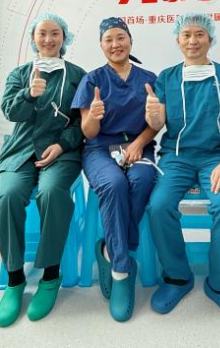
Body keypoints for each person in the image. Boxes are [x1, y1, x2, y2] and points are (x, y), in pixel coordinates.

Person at [145, 13, 220, 322]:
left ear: (210, 39)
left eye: (199, 34)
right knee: (159, 206)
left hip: (216, 156)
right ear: (178, 40)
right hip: (176, 156)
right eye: (187, 35)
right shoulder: (167, 77)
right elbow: (158, 123)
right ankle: (177, 277)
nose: (193, 40)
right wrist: (152, 114)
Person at [0, 13, 86, 327]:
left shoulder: (77, 76)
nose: (48, 39)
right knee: (7, 198)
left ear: (64, 38)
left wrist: (62, 144)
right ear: (33, 38)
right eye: (42, 33)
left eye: (55, 33)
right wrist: (29, 94)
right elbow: (10, 111)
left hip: (60, 153)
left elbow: (82, 123)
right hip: (20, 152)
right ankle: (15, 279)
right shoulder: (20, 74)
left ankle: (51, 274)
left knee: (51, 192)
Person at [71, 17, 158, 322]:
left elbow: (155, 125)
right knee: (114, 184)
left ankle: (111, 249)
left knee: (143, 179)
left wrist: (139, 143)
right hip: (99, 150)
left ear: (130, 41)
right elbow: (88, 132)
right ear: (101, 45)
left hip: (139, 146)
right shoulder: (92, 81)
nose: (115, 44)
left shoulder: (148, 79)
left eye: (121, 38)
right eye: (108, 39)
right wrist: (93, 116)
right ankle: (121, 269)